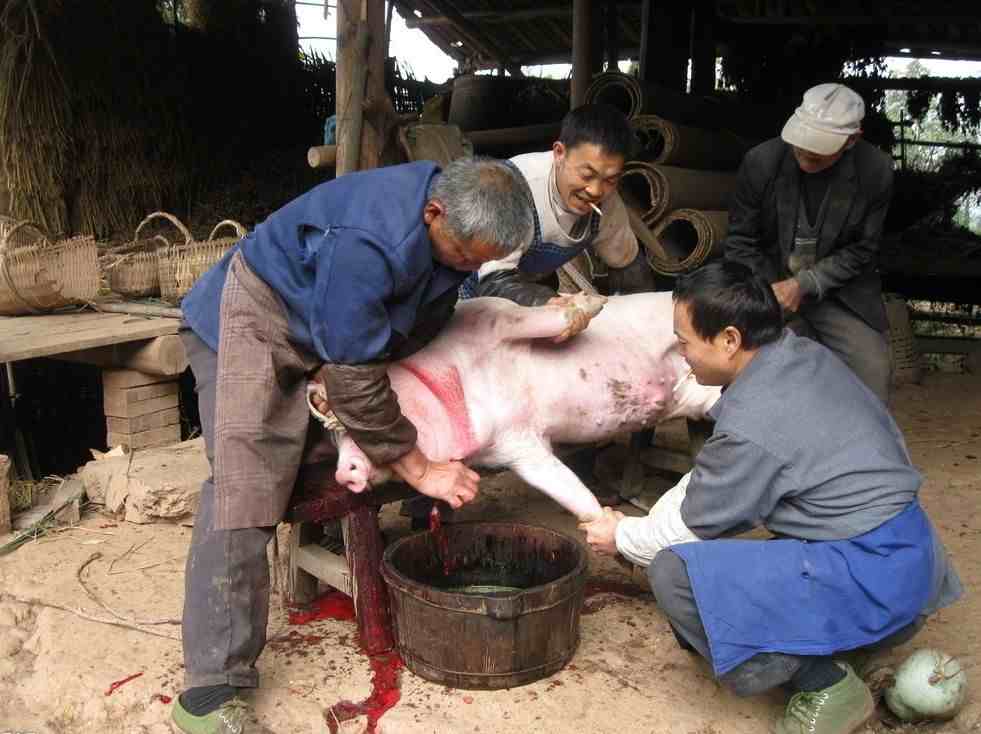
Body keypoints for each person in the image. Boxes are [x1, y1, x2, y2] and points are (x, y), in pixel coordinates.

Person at [170, 157, 533, 734]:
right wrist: (417, 466)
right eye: (467, 257)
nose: (471, 267)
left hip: (325, 323)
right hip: (256, 314)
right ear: (433, 213)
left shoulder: (449, 215)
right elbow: (353, 379)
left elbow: (378, 344)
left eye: (483, 261)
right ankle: (210, 692)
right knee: (246, 489)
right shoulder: (370, 240)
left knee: (317, 461)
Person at [581, 261, 961, 734]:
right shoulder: (800, 356)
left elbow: (683, 529)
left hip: (876, 579)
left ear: (730, 340)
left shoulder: (754, 424)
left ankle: (826, 685)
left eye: (685, 341)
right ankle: (849, 650)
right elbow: (713, 475)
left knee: (675, 572)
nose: (681, 354)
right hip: (914, 571)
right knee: (771, 541)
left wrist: (620, 535)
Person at [724, 83, 893, 403]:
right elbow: (741, 242)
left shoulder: (875, 171)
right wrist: (771, 291)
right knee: (735, 362)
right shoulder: (761, 162)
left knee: (873, 371)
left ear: (851, 140)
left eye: (817, 150)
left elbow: (862, 250)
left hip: (839, 293)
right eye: (800, 144)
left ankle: (860, 448)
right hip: (768, 285)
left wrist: (805, 284)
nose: (804, 153)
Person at [460, 102, 655, 319]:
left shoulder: (608, 203)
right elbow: (493, 281)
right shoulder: (513, 188)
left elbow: (627, 265)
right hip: (470, 294)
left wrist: (645, 318)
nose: (595, 190)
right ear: (559, 153)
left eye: (610, 179)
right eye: (587, 174)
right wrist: (549, 303)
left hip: (529, 287)